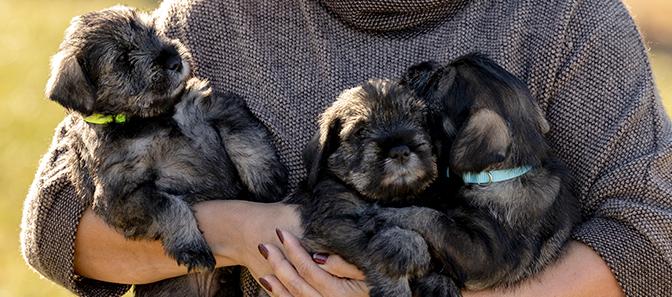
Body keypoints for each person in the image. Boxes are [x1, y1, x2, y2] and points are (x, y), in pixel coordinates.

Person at [20, 0, 671, 296]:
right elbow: (55, 225)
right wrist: (242, 231)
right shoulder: (208, 21)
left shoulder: (569, 19)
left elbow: (652, 235)